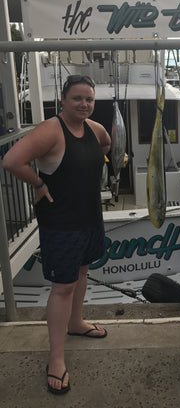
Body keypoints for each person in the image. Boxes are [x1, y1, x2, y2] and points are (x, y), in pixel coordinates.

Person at [3, 75, 111, 394]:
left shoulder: (94, 129)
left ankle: (76, 323)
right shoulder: (52, 129)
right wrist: (39, 184)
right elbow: (11, 160)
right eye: (77, 98)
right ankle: (56, 359)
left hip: (90, 217)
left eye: (89, 99)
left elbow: (106, 145)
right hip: (62, 222)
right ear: (62, 100)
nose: (84, 104)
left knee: (81, 272)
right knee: (62, 287)